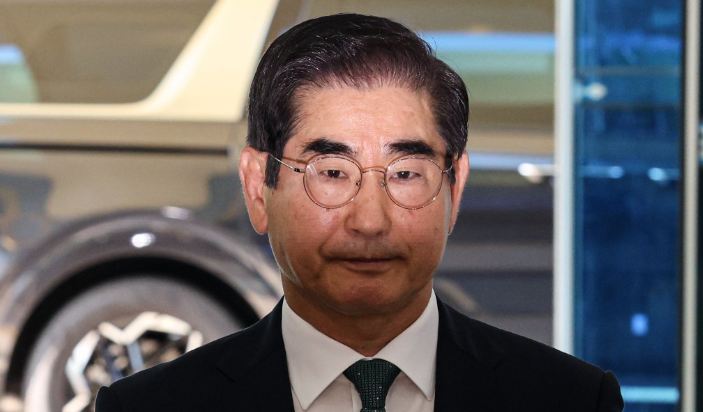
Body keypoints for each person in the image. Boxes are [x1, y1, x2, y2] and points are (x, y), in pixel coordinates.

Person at [96, 13, 624, 412]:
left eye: (406, 173)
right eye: (331, 172)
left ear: (455, 187)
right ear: (259, 187)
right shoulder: (149, 408)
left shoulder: (572, 400)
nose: (370, 221)